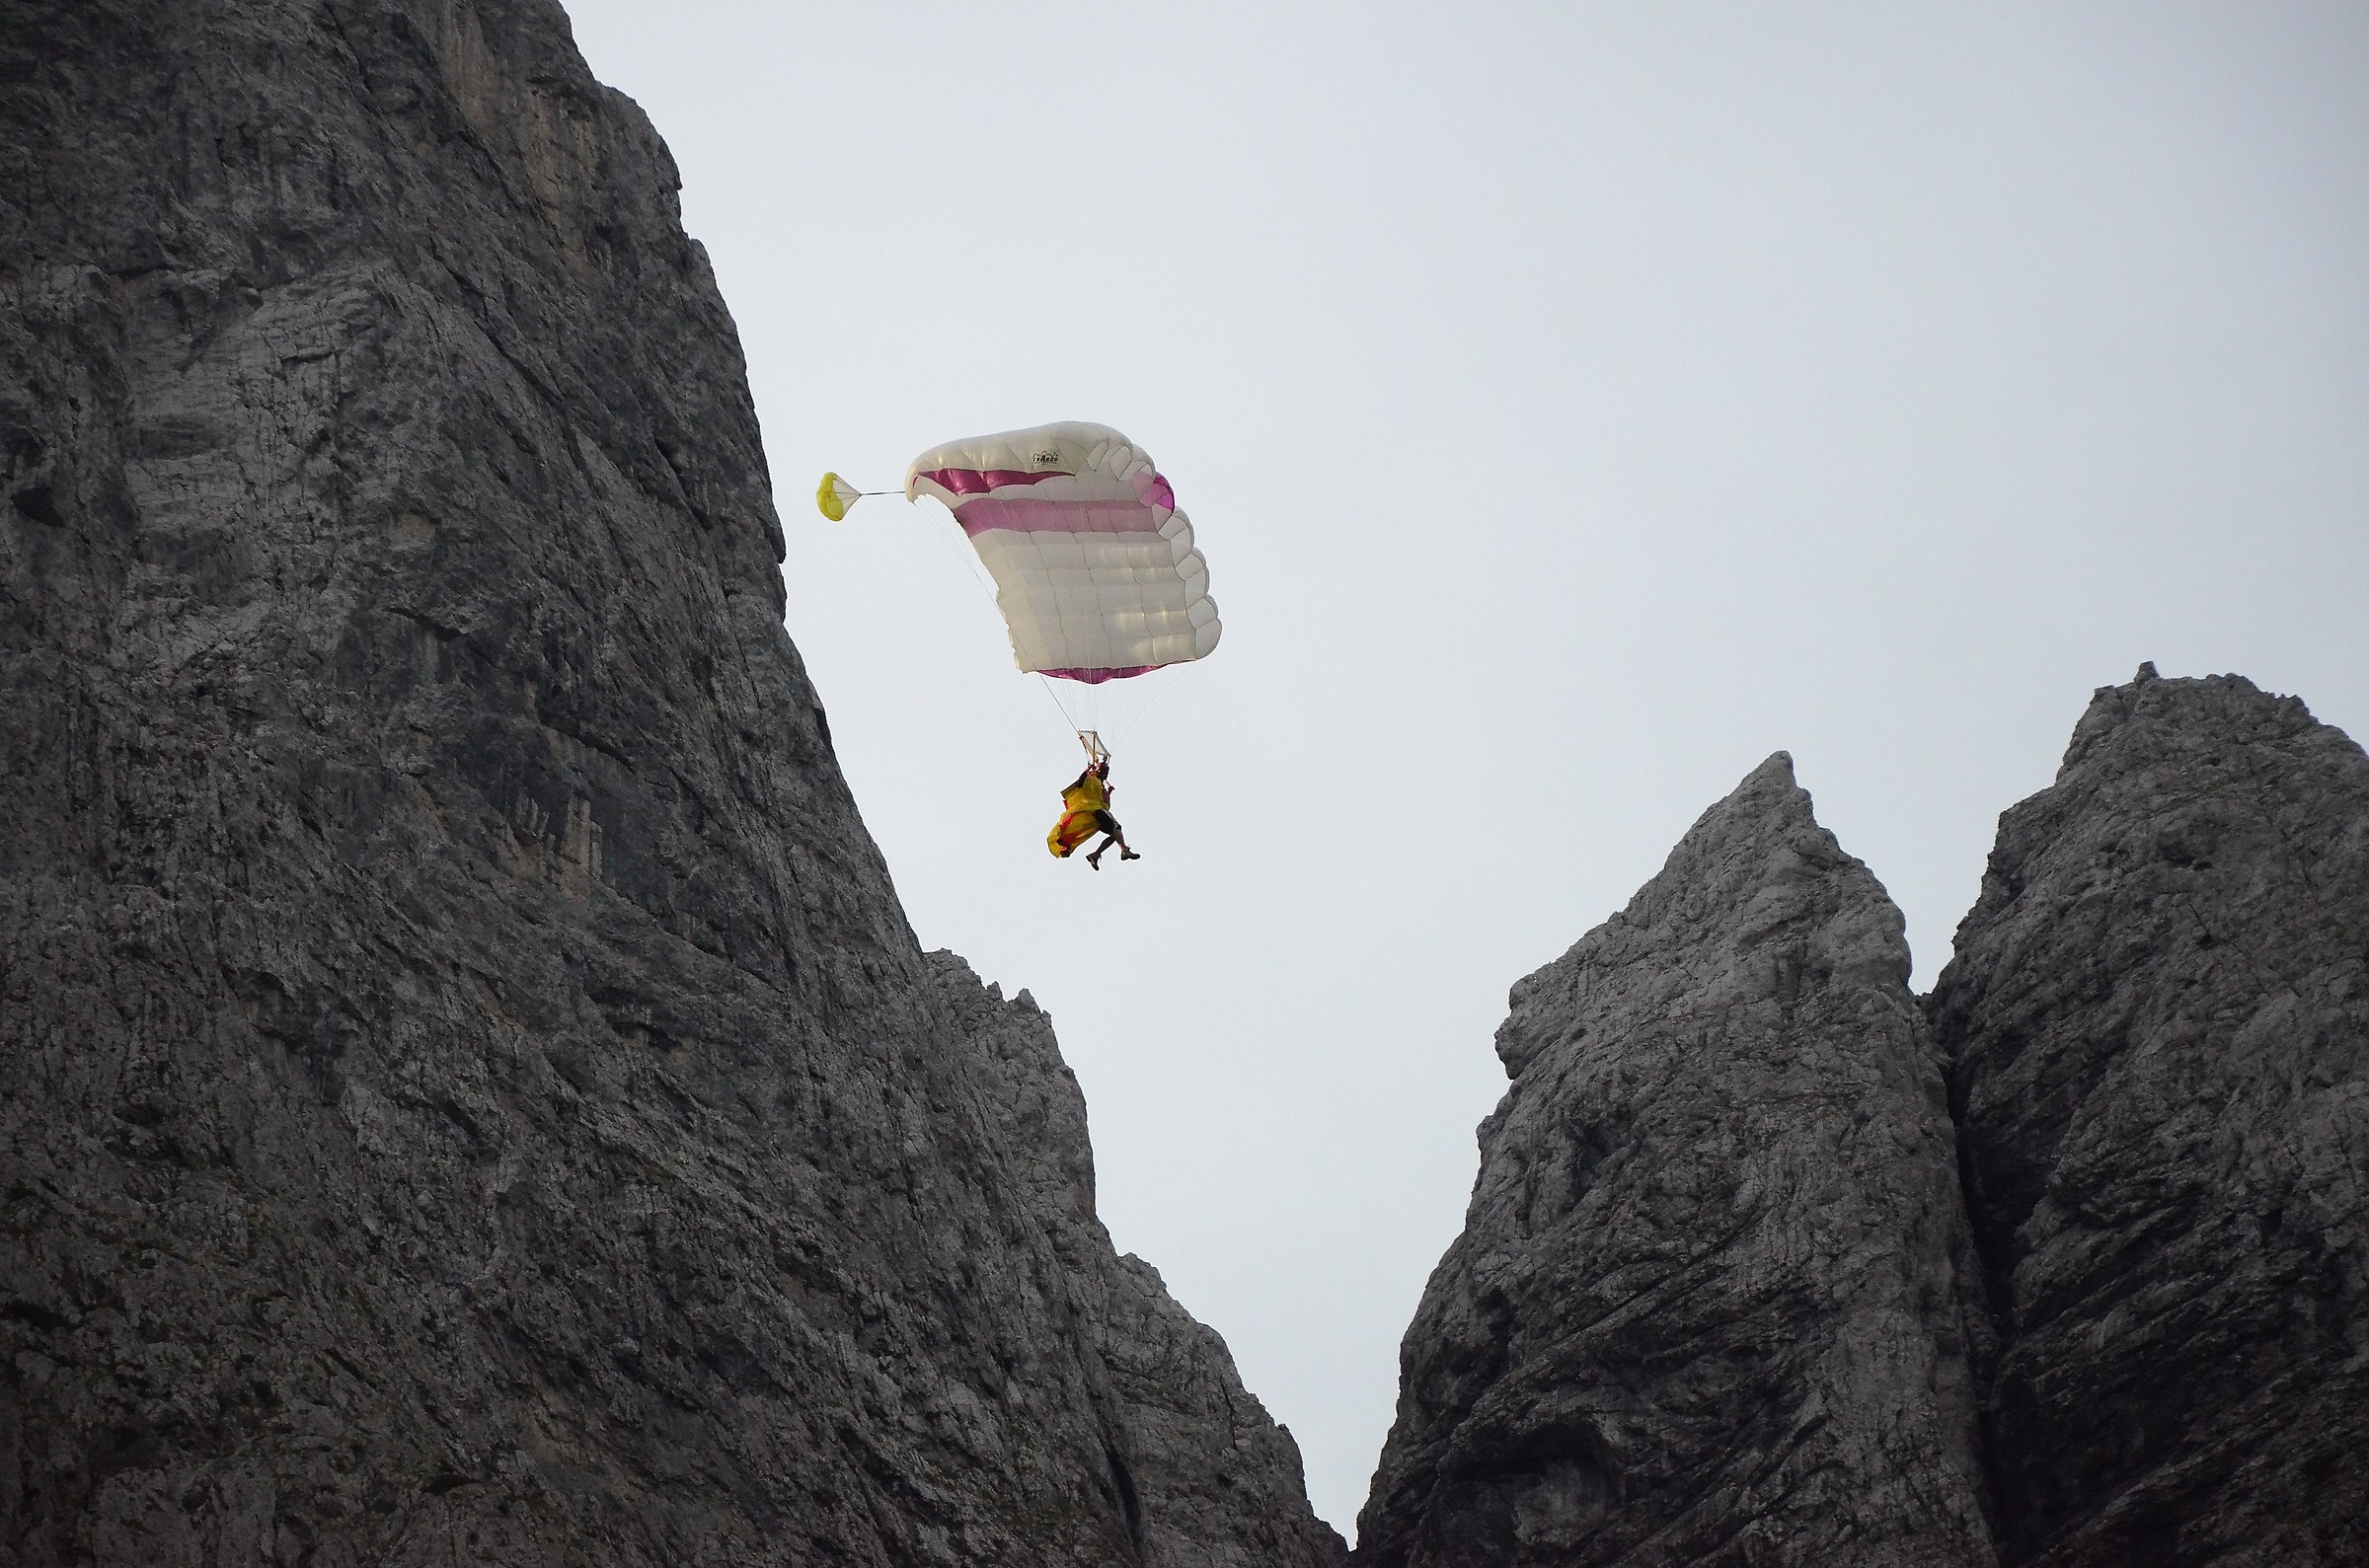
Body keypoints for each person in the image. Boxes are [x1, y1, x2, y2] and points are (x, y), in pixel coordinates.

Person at [1046, 758, 1141, 868]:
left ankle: (1096, 855)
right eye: (1103, 772)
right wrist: (1087, 770)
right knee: (1117, 828)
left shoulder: (1101, 787)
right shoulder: (1091, 779)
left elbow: (1105, 805)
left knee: (1114, 834)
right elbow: (1079, 784)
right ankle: (1124, 850)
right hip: (1094, 810)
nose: (1105, 775)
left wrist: (1109, 793)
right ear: (1098, 771)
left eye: (1107, 773)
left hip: (1098, 812)